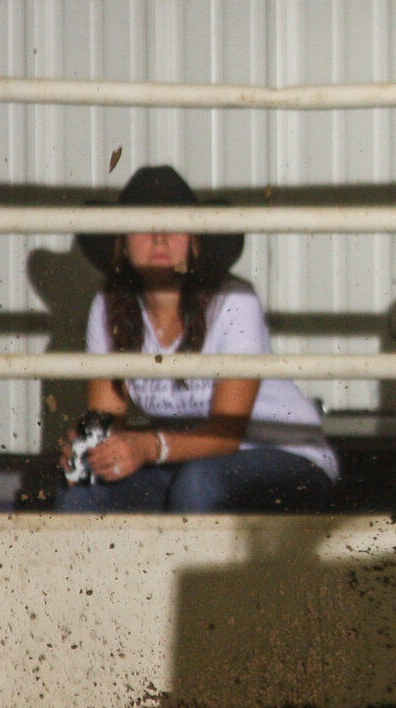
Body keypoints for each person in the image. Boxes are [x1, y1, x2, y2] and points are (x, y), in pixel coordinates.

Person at [59, 164, 341, 513]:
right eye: (143, 224)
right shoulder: (108, 307)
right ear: (123, 244)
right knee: (83, 494)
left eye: (177, 224)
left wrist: (148, 447)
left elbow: (228, 434)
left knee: (199, 485)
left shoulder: (234, 302)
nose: (160, 236)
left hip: (285, 460)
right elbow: (107, 416)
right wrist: (93, 449)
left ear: (195, 242)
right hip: (184, 463)